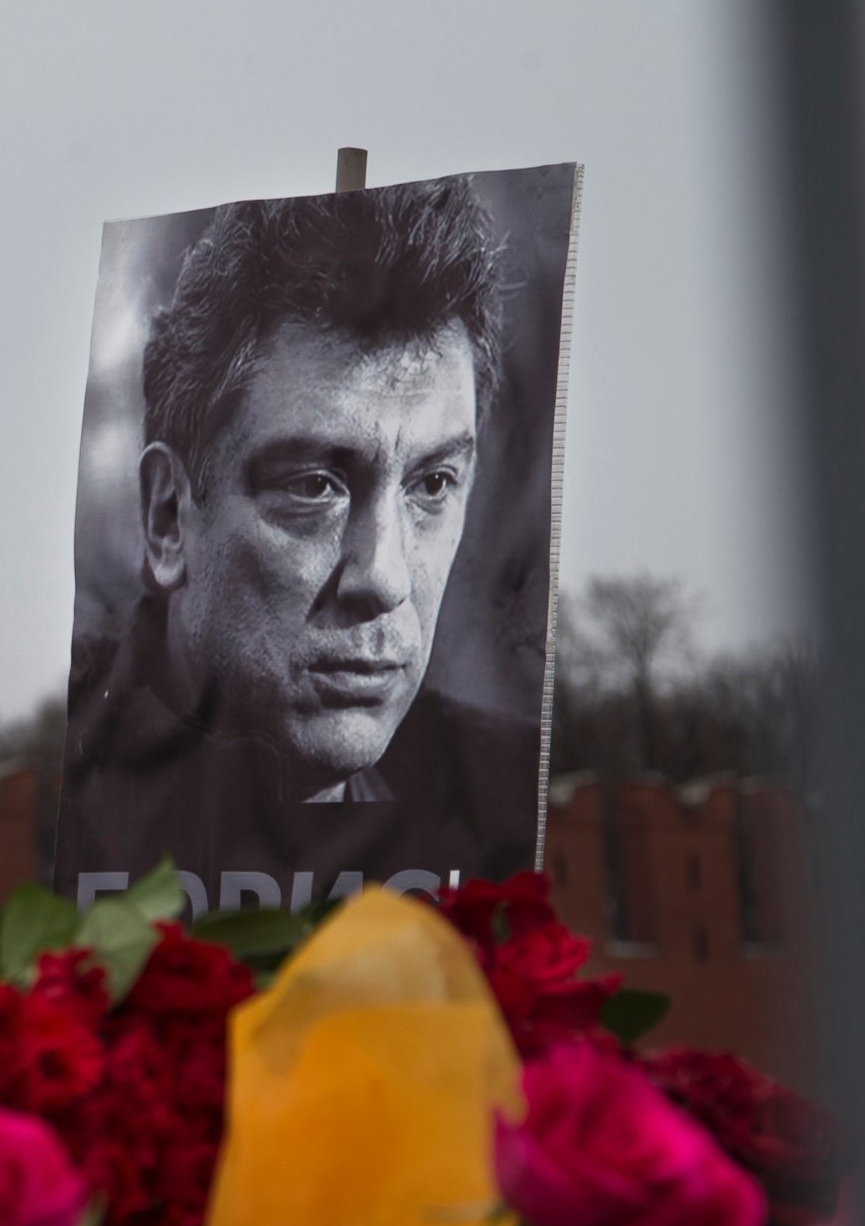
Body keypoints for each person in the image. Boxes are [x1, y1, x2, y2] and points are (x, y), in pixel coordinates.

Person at [59, 179, 542, 903]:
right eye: (314, 485)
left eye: (433, 484)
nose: (384, 579)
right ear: (168, 517)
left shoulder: (514, 805)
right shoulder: (50, 790)